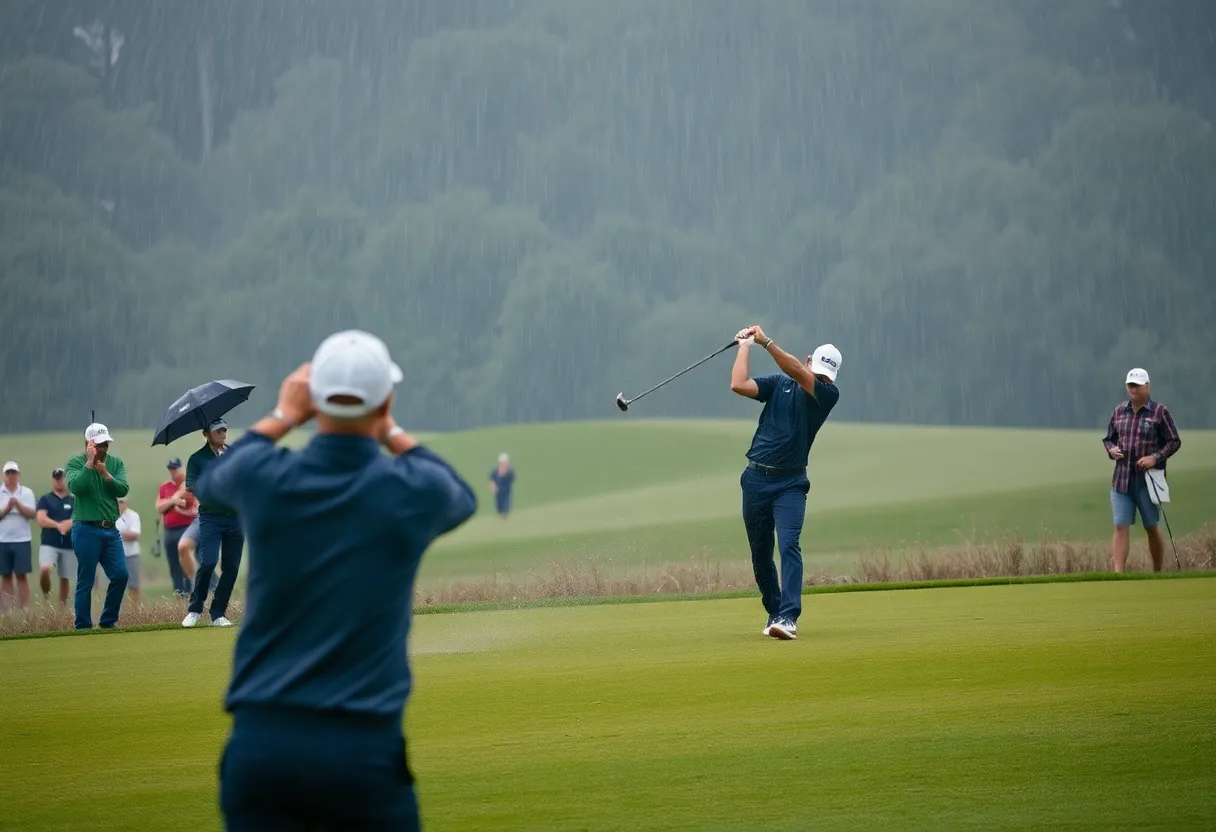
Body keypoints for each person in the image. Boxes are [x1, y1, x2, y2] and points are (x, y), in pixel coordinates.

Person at [195, 329, 477, 831]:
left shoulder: (268, 478)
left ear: (311, 399)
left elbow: (214, 484)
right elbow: (458, 494)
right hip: (362, 756)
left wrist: (283, 416)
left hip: (263, 750)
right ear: (385, 400)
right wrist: (389, 430)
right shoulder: (406, 491)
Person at [730, 326, 841, 641]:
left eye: (825, 378)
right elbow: (738, 384)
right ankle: (775, 610)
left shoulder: (826, 396)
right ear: (809, 361)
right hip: (754, 480)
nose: (820, 381)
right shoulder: (779, 385)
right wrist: (746, 346)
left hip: (791, 484)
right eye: (817, 373)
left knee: (789, 544)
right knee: (760, 554)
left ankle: (789, 617)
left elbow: (791, 367)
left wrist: (766, 342)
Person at [1102, 367, 1182, 573]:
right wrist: (1112, 450)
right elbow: (1108, 438)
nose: (1134, 389)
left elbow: (1174, 441)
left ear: (1148, 386)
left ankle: (1157, 572)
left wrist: (1154, 458)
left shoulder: (1159, 412)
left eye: (1138, 385)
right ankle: (1118, 574)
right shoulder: (1119, 411)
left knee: (1151, 527)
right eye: (1130, 385)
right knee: (1120, 526)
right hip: (1121, 479)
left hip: (1148, 480)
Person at [64, 423, 129, 630]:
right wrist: (90, 463)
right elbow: (76, 487)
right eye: (99, 444)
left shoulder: (115, 463)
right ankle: (82, 626)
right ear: (89, 444)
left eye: (106, 444)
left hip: (110, 530)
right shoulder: (76, 463)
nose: (104, 448)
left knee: (121, 575)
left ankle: (108, 621)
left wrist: (106, 475)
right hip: (85, 530)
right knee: (86, 579)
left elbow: (122, 489)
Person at [183, 418, 244, 628]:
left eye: (225, 430)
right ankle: (195, 609)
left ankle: (218, 612)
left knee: (232, 567)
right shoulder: (197, 459)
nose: (223, 434)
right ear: (206, 434)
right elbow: (192, 486)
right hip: (211, 517)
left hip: (236, 518)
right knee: (208, 562)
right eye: (218, 431)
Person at [156, 457, 198, 597]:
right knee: (173, 563)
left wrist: (176, 500)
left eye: (175, 468)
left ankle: (190, 591)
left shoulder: (188, 484)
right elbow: (159, 507)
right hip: (169, 530)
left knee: (185, 559)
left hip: (186, 527)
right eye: (171, 468)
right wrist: (173, 500)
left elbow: (191, 505)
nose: (173, 471)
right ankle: (179, 593)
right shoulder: (165, 486)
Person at [0, 461, 37, 614]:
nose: (10, 476)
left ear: (18, 474)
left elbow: (33, 514)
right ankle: (6, 610)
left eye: (13, 472)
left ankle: (25, 608)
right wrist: (8, 507)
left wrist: (18, 505)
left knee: (21, 574)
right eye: (8, 473)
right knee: (6, 575)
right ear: (4, 475)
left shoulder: (26, 492)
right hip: (3, 540)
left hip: (22, 539)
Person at [36, 467, 76, 607]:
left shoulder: (73, 499)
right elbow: (41, 519)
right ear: (53, 480)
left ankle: (61, 608)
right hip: (49, 542)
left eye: (62, 478)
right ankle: (46, 594)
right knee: (45, 569)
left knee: (64, 577)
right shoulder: (45, 499)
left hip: (68, 543)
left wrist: (70, 523)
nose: (59, 481)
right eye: (57, 478)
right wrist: (58, 525)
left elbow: (79, 516)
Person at [116, 497, 142, 607]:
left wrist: (116, 533)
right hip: (114, 555)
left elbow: (134, 535)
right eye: (117, 502)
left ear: (126, 503)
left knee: (133, 585)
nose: (119, 504)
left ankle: (134, 611)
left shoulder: (133, 515)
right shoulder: (108, 515)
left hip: (131, 554)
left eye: (121, 502)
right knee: (116, 585)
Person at [489, 452, 516, 519]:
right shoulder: (495, 471)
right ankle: (501, 515)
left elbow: (512, 479)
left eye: (506, 463)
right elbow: (491, 480)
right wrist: (493, 488)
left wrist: (505, 473)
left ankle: (505, 516)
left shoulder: (510, 472)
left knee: (506, 506)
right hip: (498, 492)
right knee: (499, 508)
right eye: (502, 463)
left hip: (506, 491)